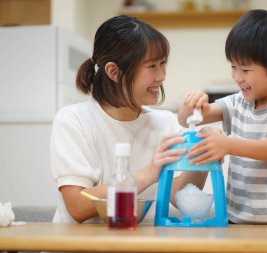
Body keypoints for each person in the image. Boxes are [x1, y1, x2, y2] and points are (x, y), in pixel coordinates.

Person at [50, 15, 208, 224]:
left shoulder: (167, 123)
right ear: (113, 71)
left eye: (162, 63)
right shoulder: (73, 120)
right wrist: (148, 174)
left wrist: (204, 155)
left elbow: (181, 197)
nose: (161, 76)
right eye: (152, 66)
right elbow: (78, 206)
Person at [178, 10, 267, 224]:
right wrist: (191, 103)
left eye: (245, 69)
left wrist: (227, 144)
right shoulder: (238, 102)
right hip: (237, 221)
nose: (237, 77)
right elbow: (189, 118)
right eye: (233, 67)